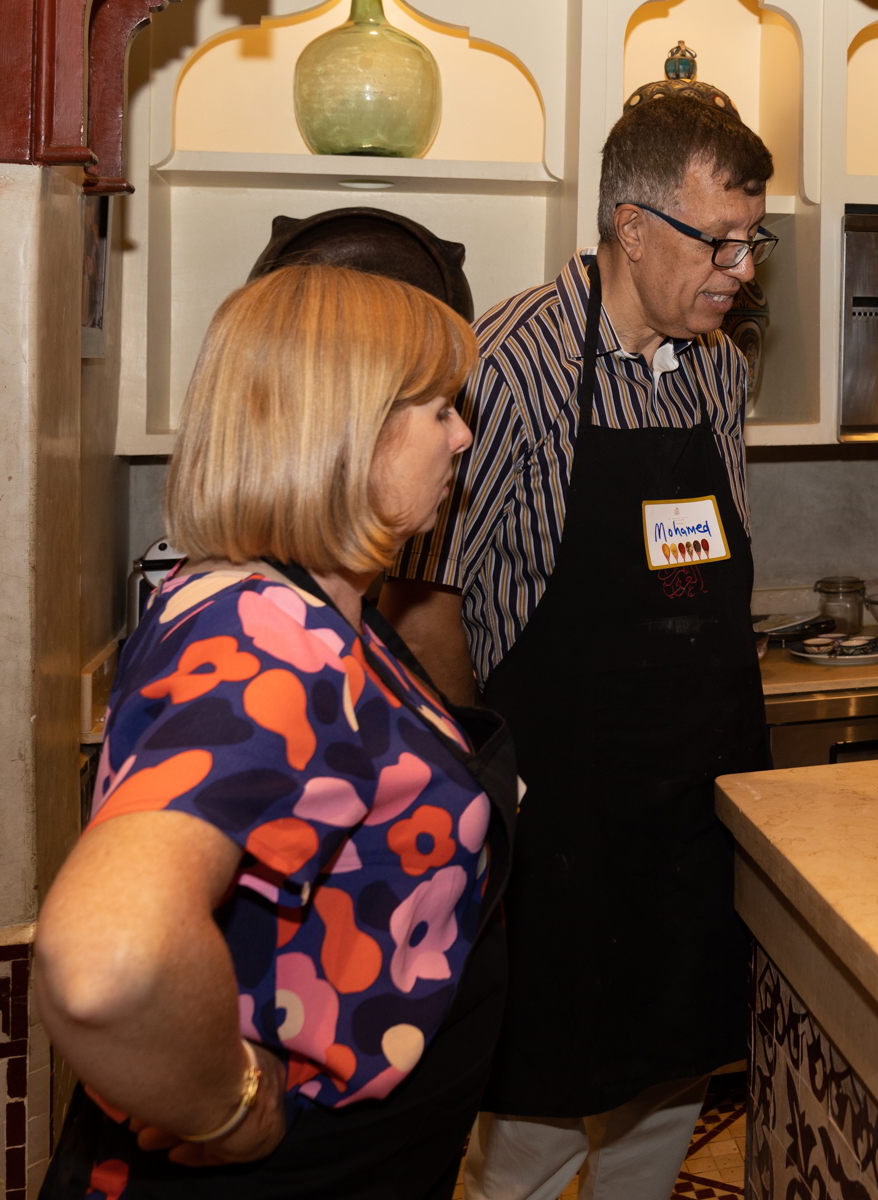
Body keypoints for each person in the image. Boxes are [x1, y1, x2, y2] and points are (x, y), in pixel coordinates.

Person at [38, 265, 516, 1200]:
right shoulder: (271, 641)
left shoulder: (283, 596)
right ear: (347, 430)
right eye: (437, 409)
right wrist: (236, 1106)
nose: (462, 435)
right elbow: (106, 956)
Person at [377, 97, 774, 1200]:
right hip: (554, 819)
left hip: (695, 798)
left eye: (753, 240)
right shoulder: (502, 365)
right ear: (631, 225)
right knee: (534, 1124)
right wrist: (491, 775)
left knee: (673, 1086)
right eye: (718, 240)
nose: (740, 267)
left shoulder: (721, 372)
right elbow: (424, 602)